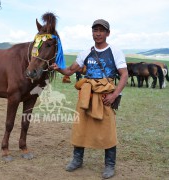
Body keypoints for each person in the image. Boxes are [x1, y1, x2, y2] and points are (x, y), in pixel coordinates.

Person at [51, 19, 128, 179]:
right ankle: (77, 160)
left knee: (107, 130)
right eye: (95, 30)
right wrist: (59, 69)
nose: (98, 33)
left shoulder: (115, 51)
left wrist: (114, 95)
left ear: (107, 33)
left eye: (101, 30)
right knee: (81, 128)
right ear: (92, 32)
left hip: (105, 96)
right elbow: (70, 71)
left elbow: (124, 74)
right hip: (86, 96)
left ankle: (110, 165)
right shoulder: (85, 52)